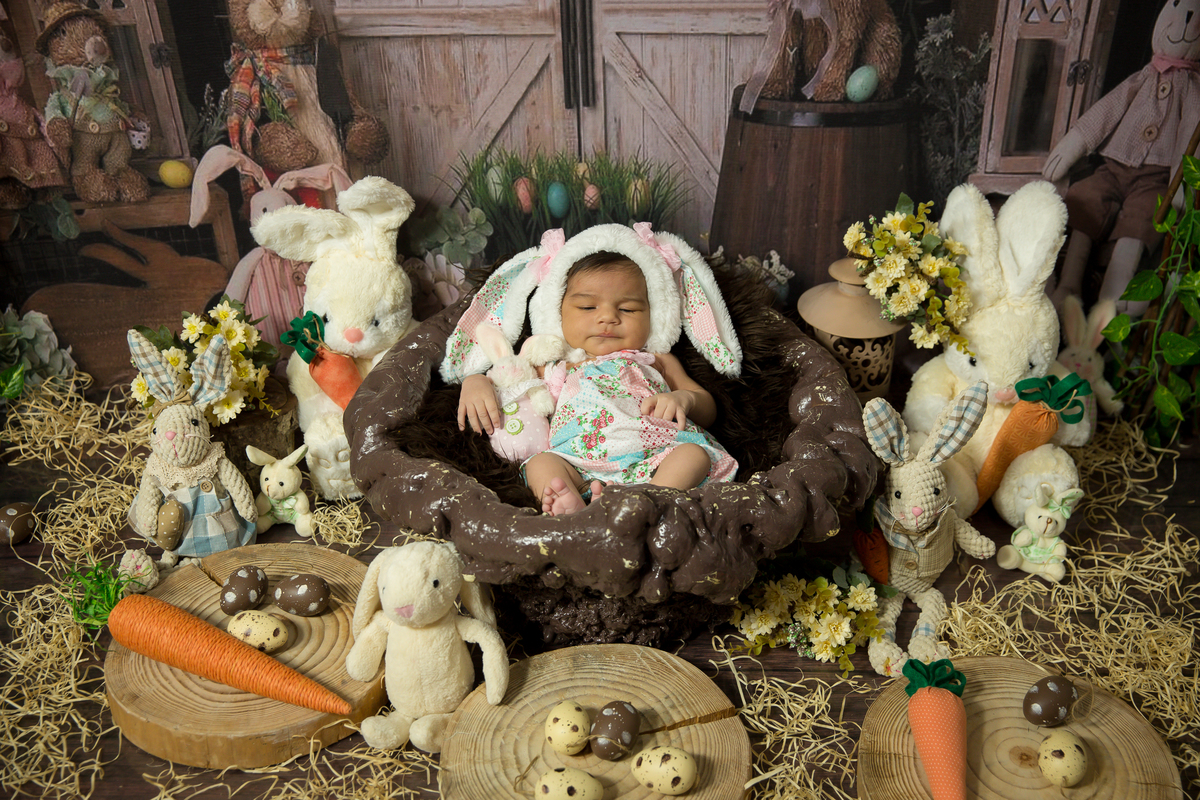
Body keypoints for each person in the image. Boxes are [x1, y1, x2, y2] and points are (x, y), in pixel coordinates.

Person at [456, 244, 738, 516]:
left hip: (657, 456)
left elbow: (708, 408)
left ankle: (644, 504)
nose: (607, 318)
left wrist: (684, 399)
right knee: (540, 464)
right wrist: (476, 382)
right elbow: (509, 381)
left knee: (694, 455)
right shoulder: (553, 365)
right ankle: (574, 511)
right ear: (558, 312)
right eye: (588, 307)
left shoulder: (656, 359)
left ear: (654, 314)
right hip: (580, 465)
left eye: (627, 309)